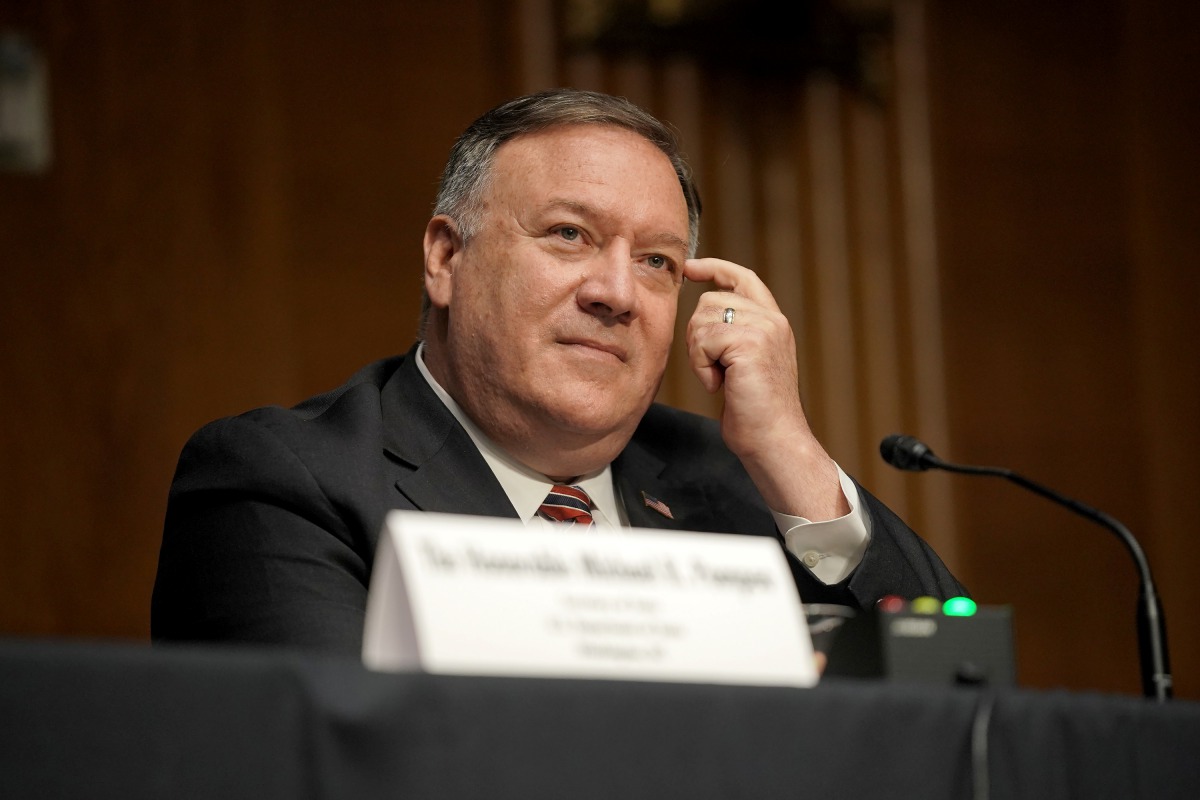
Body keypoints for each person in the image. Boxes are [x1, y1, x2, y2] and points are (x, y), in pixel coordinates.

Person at [152, 89, 964, 653]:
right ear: (446, 257)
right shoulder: (286, 481)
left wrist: (791, 452)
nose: (616, 293)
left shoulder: (743, 485)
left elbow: (964, 696)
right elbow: (334, 759)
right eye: (569, 235)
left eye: (655, 261)